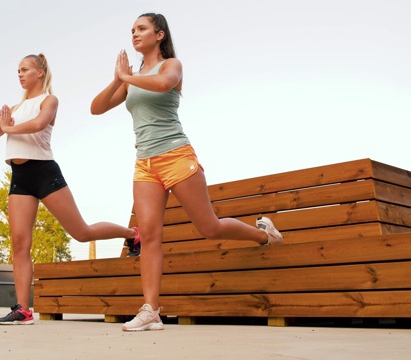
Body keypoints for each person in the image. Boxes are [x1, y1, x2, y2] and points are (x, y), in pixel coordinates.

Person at [90, 13, 284, 332]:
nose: (134, 35)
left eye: (141, 29)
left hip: (176, 155)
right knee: (150, 235)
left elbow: (164, 84)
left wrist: (128, 79)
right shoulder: (133, 77)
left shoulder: (171, 65)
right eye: (132, 31)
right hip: (145, 164)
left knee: (209, 227)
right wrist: (118, 78)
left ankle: (265, 235)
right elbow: (96, 108)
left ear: (159, 35)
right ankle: (151, 309)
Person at [0, 53, 140, 325]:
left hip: (45, 173)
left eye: (25, 69)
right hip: (19, 177)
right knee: (20, 244)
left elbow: (40, 123)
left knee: (81, 232)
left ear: (39, 73)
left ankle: (132, 234)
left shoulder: (49, 100)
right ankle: (23, 309)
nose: (19, 74)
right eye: (17, 70)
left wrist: (10, 127)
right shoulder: (15, 109)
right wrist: (0, 128)